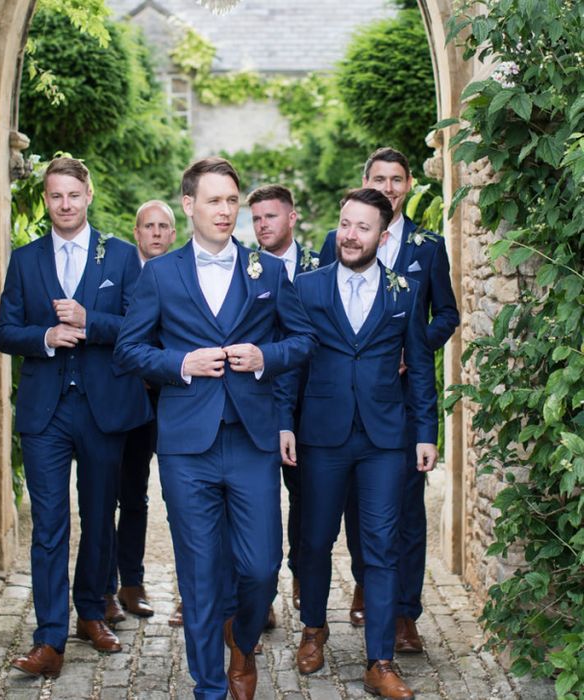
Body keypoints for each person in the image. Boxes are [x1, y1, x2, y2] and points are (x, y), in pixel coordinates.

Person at [114, 157, 316, 700]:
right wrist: (181, 364)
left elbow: (302, 342)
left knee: (260, 567)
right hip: (187, 444)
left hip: (252, 440)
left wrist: (264, 356)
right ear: (189, 206)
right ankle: (209, 686)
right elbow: (129, 349)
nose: (226, 211)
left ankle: (242, 645)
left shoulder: (268, 271)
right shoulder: (158, 274)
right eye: (214, 201)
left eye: (232, 200)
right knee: (200, 576)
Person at [0, 157, 152, 678]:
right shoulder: (25, 259)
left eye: (73, 195)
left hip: (103, 408)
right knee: (49, 525)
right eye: (55, 196)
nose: (65, 205)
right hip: (47, 413)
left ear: (89, 195)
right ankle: (48, 639)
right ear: (47, 199)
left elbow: (139, 327)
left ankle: (91, 610)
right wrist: (43, 338)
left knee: (100, 514)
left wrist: (91, 322)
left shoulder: (123, 257)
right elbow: (4, 332)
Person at [282, 187, 438, 699]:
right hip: (322, 435)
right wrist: (285, 423)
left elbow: (419, 368)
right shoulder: (306, 288)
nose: (350, 235)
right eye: (345, 224)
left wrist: (425, 433)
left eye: (362, 227)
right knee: (314, 540)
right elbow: (290, 367)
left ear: (381, 234)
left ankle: (381, 660)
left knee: (381, 547)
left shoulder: (404, 292)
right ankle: (313, 629)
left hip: (384, 440)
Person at [319, 147, 459, 651]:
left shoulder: (428, 245)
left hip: (402, 396)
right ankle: (368, 582)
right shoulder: (336, 243)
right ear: (365, 181)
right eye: (378, 178)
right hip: (344, 403)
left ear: (408, 185)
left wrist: (412, 346)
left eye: (397, 179)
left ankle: (404, 613)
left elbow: (446, 313)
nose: (388, 187)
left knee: (406, 507)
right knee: (358, 505)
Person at [105, 200, 177, 623]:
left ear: (172, 234)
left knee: (181, 494)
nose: (155, 232)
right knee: (125, 493)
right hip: (126, 397)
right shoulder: (119, 272)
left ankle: (189, 593)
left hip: (171, 399)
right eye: (147, 225)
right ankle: (125, 584)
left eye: (162, 226)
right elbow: (117, 327)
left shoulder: (184, 273)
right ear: (137, 233)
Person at [249, 183, 319, 612]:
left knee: (307, 500)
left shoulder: (320, 266)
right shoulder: (242, 266)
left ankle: (301, 576)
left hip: (312, 403)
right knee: (255, 502)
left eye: (270, 216)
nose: (262, 226)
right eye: (255, 218)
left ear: (291, 217)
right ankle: (260, 596)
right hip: (255, 399)